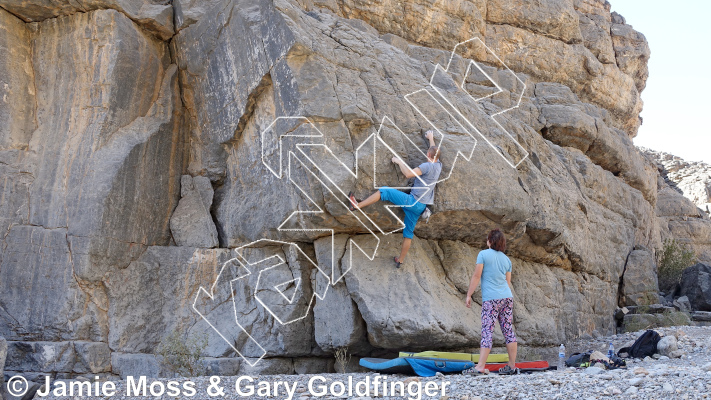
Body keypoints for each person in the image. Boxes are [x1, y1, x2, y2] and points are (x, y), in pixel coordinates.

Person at [349, 130, 442, 268]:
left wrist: (398, 161)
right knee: (408, 233)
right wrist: (431, 138)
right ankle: (400, 260)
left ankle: (356, 206)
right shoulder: (438, 166)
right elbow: (435, 152)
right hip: (421, 207)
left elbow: (408, 174)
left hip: (412, 201)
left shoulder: (426, 166)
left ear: (428, 155)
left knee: (384, 191)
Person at [464, 229, 518, 375]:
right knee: (508, 330)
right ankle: (512, 366)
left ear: (489, 241)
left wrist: (469, 294)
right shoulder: (507, 260)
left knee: (487, 331)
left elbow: (476, 276)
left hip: (491, 300)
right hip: (507, 298)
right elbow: (507, 282)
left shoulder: (483, 255)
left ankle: (480, 367)